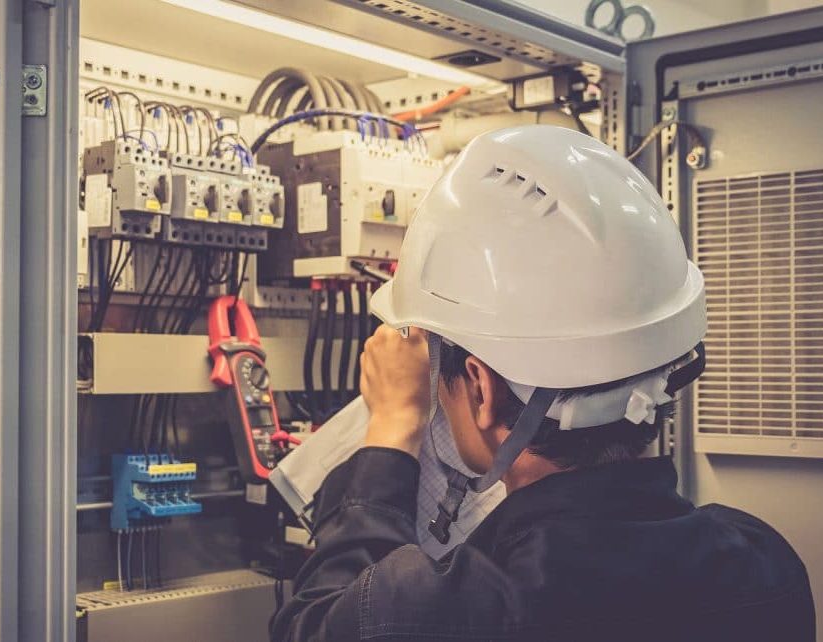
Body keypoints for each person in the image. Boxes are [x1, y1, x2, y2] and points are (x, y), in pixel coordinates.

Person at [270, 126, 815, 641]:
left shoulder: (439, 611)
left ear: (480, 388)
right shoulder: (765, 565)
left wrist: (390, 430)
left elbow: (318, 621)